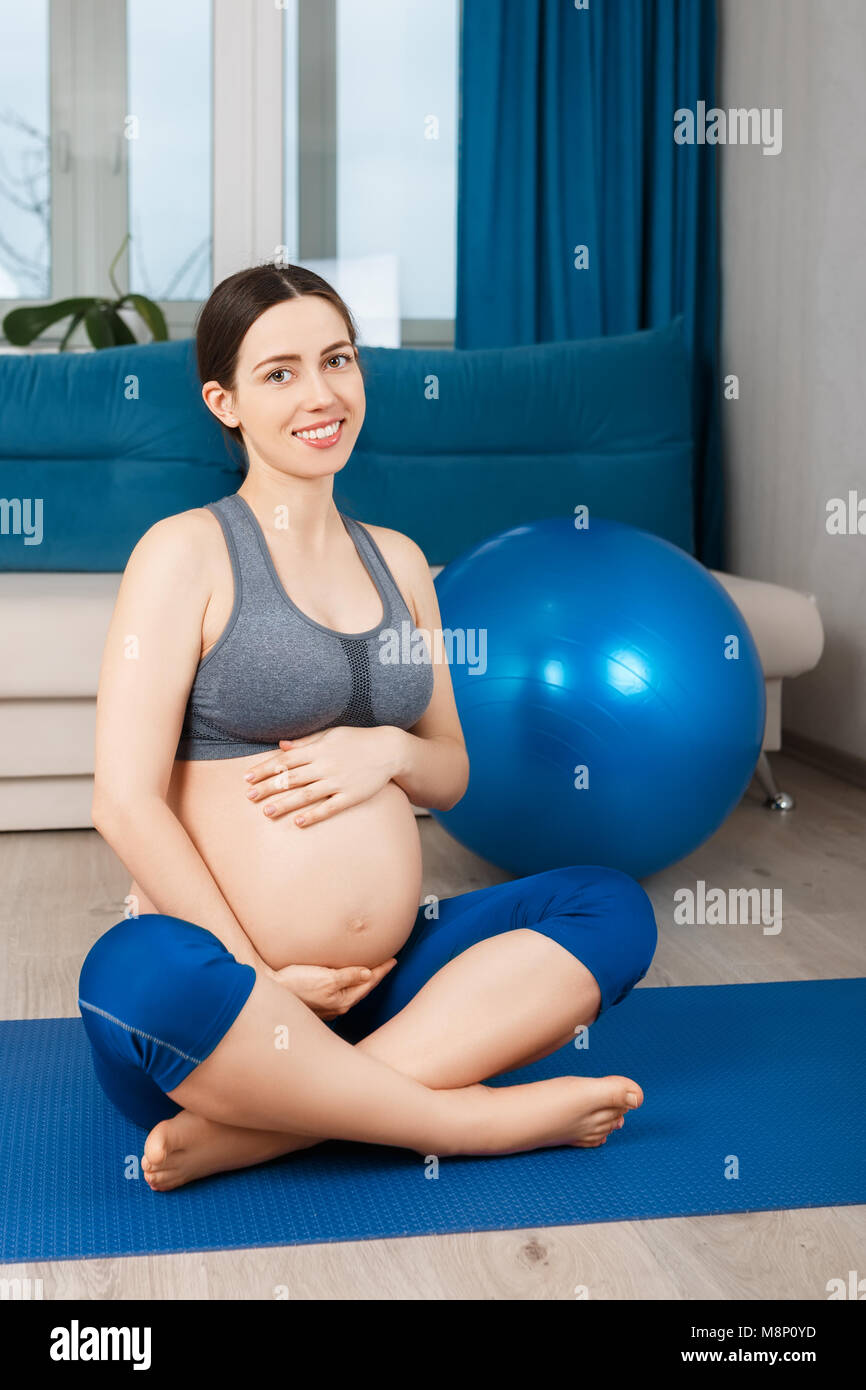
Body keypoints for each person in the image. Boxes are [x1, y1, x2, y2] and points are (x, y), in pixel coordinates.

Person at [79, 262, 657, 1191]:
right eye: (280, 373)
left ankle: (268, 1132)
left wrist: (386, 748)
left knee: (609, 905)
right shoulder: (184, 551)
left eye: (337, 360)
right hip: (232, 1009)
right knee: (132, 975)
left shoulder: (399, 561)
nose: (321, 394)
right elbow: (124, 801)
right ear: (223, 401)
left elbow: (451, 774)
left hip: (387, 989)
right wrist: (258, 974)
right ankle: (458, 1121)